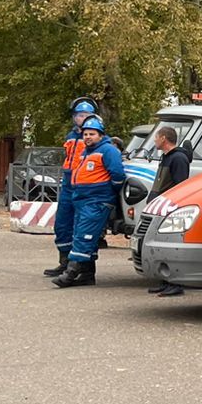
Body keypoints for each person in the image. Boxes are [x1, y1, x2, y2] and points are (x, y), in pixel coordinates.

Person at [52, 115, 126, 288]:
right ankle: (87, 274)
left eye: (92, 134)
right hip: (82, 200)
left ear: (100, 135)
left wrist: (106, 193)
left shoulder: (108, 150)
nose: (87, 137)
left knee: (83, 237)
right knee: (83, 235)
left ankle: (70, 273)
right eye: (85, 134)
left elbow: (117, 175)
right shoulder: (87, 152)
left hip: (97, 201)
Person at [45, 97, 98, 279]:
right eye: (78, 115)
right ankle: (64, 262)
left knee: (81, 227)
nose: (81, 119)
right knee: (62, 224)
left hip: (83, 185)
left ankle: (83, 268)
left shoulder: (94, 137)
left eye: (85, 115)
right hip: (68, 183)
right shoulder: (71, 136)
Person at [146, 125, 194, 297]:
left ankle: (175, 283)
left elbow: (180, 186)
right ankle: (165, 281)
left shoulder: (178, 158)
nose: (155, 141)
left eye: (156, 137)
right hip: (160, 208)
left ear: (164, 138)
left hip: (170, 209)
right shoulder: (166, 158)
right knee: (161, 248)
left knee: (170, 246)